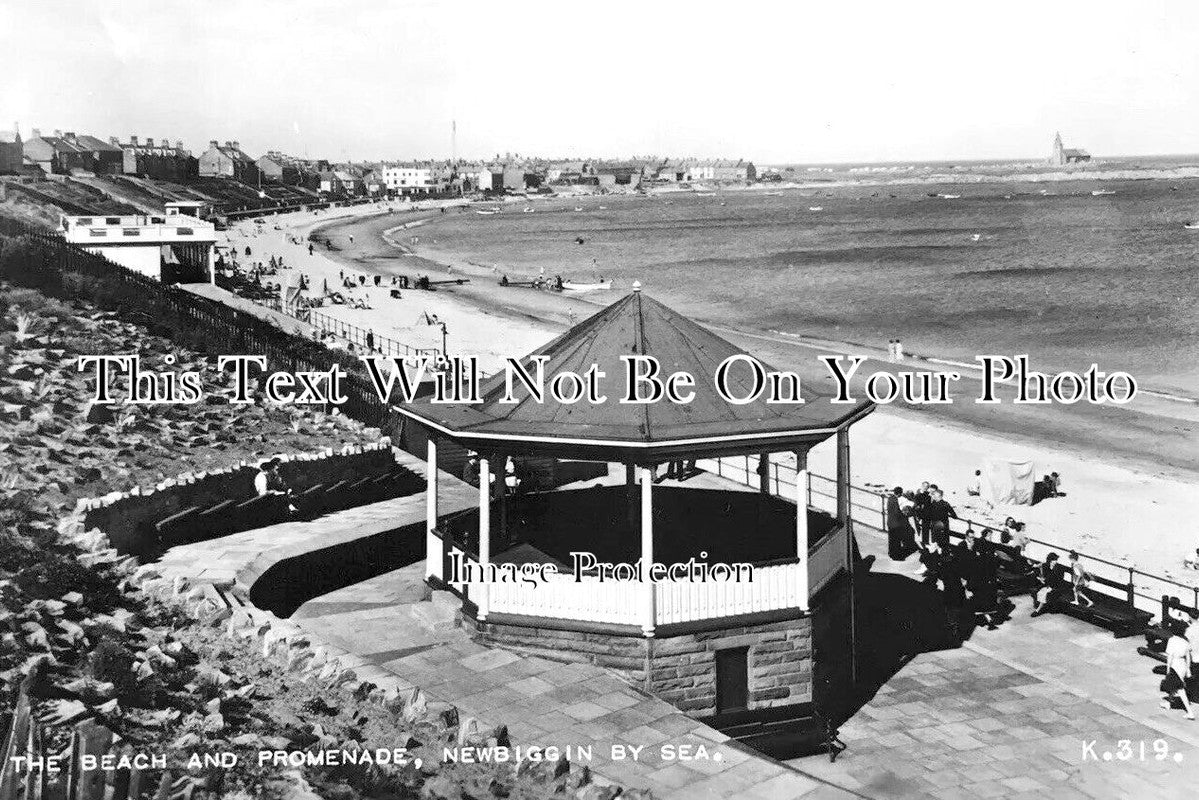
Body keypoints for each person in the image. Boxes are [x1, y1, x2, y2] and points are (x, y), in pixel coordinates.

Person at [1161, 632, 1195, 720]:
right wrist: (1188, 669)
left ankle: (1190, 712)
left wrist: (1168, 668)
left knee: (1179, 689)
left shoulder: (1172, 640)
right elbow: (1188, 657)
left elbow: (1170, 656)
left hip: (1175, 665)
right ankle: (1168, 703)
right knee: (1175, 684)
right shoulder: (1185, 642)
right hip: (1182, 665)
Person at [886, 487, 914, 560]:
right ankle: (896, 556)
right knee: (896, 540)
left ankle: (891, 553)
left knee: (891, 540)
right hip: (897, 524)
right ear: (900, 493)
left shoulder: (890, 499)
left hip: (890, 522)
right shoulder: (898, 500)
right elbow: (898, 512)